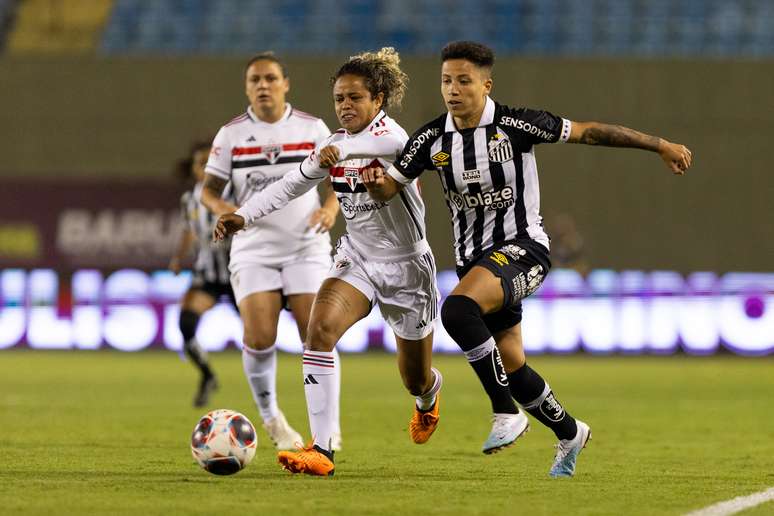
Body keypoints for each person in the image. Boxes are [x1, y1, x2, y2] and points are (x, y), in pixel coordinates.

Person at [360, 40, 693, 477]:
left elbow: (590, 131)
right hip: (474, 262)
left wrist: (659, 144)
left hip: (524, 249)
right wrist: (370, 179)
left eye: (464, 81)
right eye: (446, 81)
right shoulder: (431, 138)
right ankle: (570, 432)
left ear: (486, 84)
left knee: (458, 310)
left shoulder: (517, 124)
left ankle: (505, 413)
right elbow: (390, 187)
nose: (453, 90)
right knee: (511, 362)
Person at [215, 48, 443, 477]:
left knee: (414, 377)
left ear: (378, 100)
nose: (345, 106)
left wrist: (334, 155)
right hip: (357, 259)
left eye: (355, 98)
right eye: (339, 98)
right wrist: (242, 216)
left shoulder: (395, 141)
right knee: (318, 332)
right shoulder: (335, 143)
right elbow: (288, 185)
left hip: (407, 268)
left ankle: (428, 399)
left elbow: (369, 153)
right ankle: (322, 450)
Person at [200, 52, 342, 451]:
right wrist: (226, 210)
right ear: (247, 88)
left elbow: (339, 178)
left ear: (286, 83)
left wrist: (330, 208)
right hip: (254, 248)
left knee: (317, 335)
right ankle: (271, 417)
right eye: (254, 80)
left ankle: (325, 431)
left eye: (270, 78)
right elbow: (209, 190)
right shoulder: (231, 135)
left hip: (306, 246)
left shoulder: (313, 128)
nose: (263, 85)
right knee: (259, 337)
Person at [168, 140, 235, 407]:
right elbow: (189, 230)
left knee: (258, 336)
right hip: (208, 274)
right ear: (194, 169)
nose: (206, 168)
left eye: (211, 161)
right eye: (201, 163)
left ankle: (265, 393)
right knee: (186, 324)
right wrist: (178, 258)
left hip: (240, 272)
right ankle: (207, 374)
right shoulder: (189, 200)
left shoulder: (233, 191)